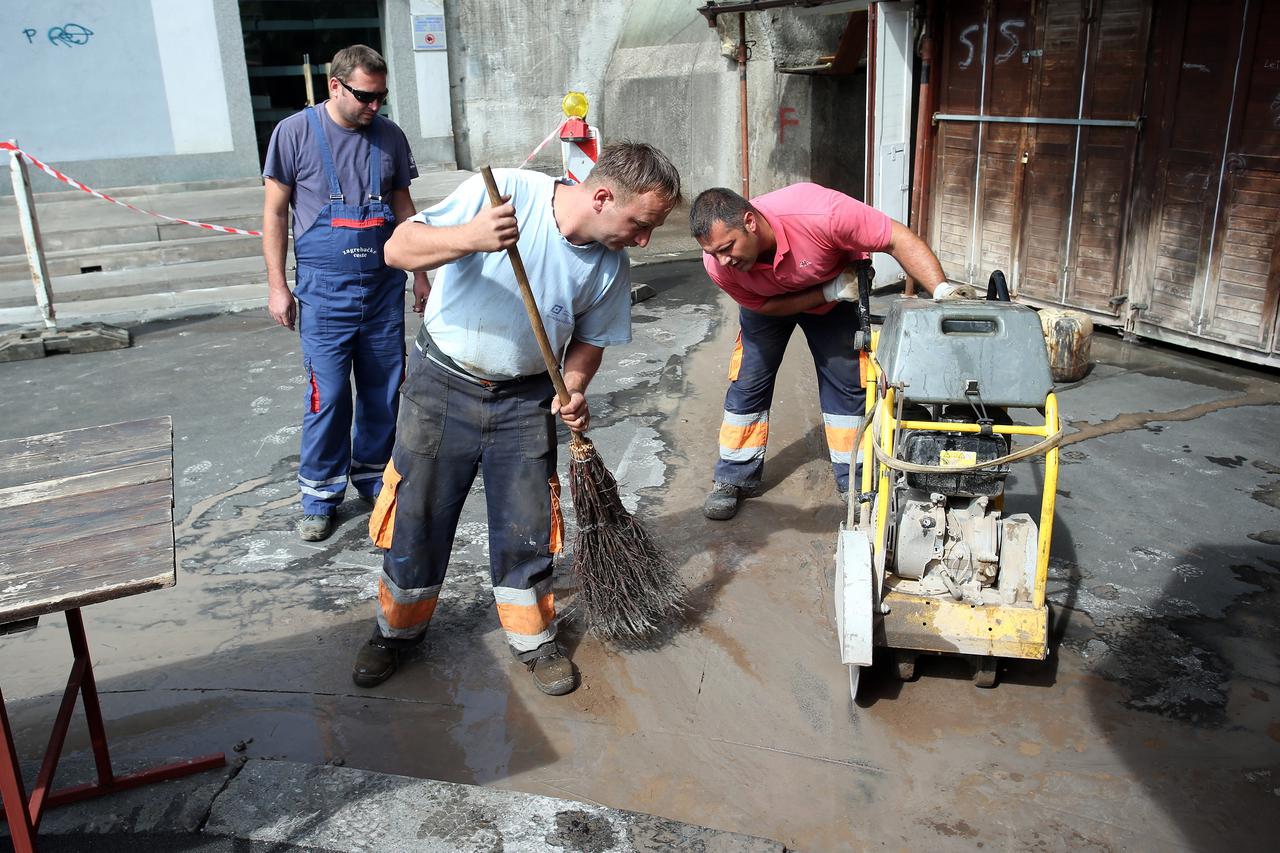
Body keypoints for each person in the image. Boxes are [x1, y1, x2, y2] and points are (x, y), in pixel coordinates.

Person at [351, 143, 681, 695]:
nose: (644, 240)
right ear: (602, 197)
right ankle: (396, 633)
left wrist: (572, 387)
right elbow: (398, 249)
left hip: (525, 400)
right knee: (418, 513)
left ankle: (533, 638)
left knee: (527, 526)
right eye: (640, 224)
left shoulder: (609, 267)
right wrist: (472, 238)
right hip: (442, 383)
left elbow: (590, 342)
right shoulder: (506, 194)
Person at [689, 184, 958, 521]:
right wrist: (824, 293)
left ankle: (856, 480)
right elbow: (768, 307)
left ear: (749, 222)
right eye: (714, 252)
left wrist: (943, 292)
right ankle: (732, 476)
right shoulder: (718, 264)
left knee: (848, 384)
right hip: (778, 304)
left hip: (835, 300)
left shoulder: (821, 214)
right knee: (748, 381)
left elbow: (897, 238)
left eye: (727, 247)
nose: (722, 260)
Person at [262, 45, 430, 542]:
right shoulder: (293, 133)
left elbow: (403, 203)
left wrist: (421, 272)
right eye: (365, 96)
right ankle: (319, 495)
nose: (374, 106)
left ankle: (374, 477)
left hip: (381, 291)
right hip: (323, 293)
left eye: (381, 97)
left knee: (382, 391)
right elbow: (274, 213)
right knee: (329, 396)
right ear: (335, 86)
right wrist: (277, 285)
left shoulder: (389, 137)